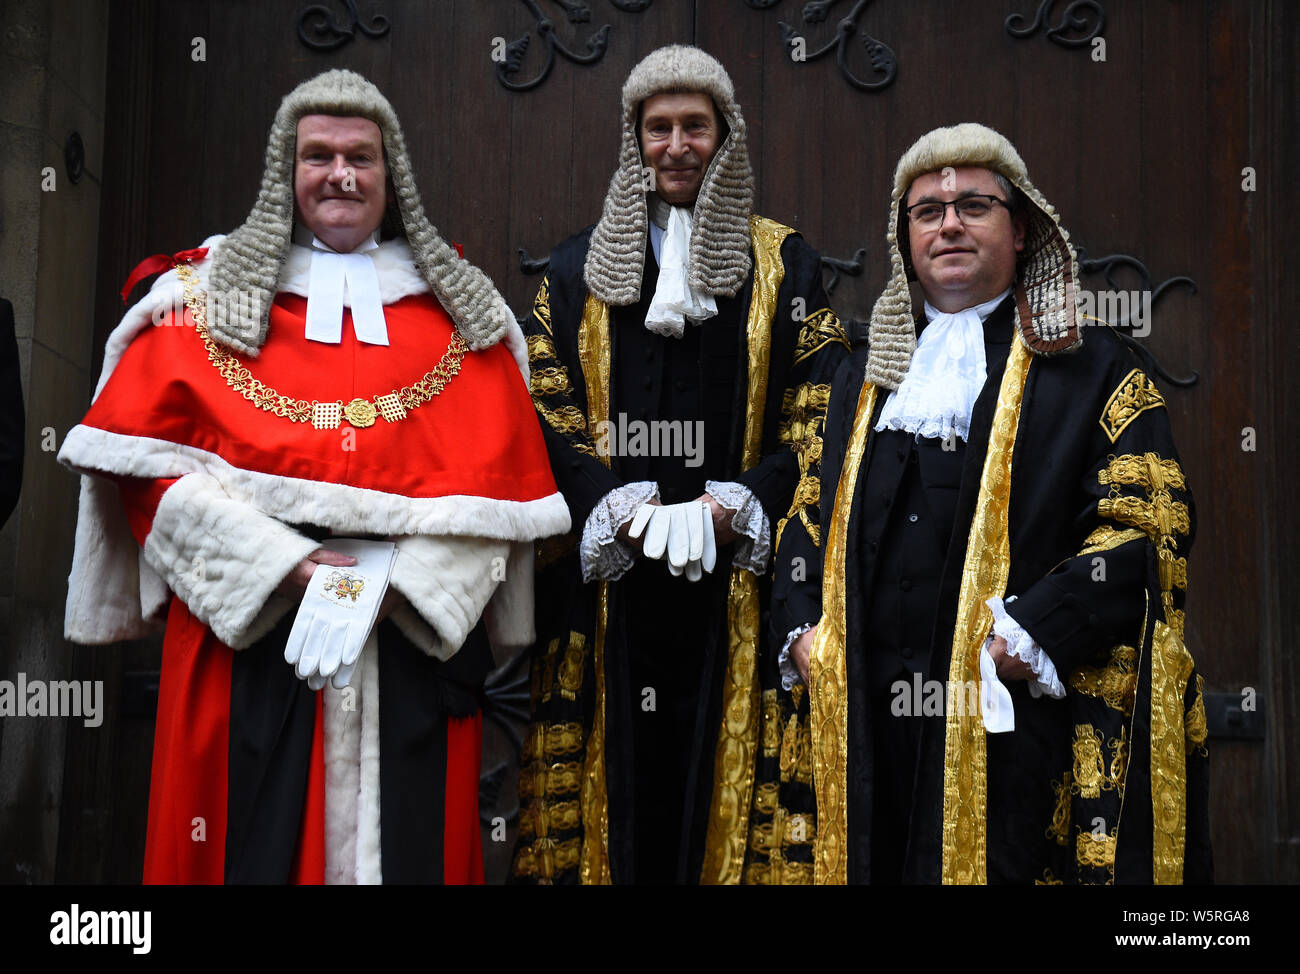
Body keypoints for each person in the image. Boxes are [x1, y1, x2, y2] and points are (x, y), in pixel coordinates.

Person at [57, 69, 569, 884]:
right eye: (319, 156)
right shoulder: (198, 303)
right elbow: (147, 478)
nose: (340, 174)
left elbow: (496, 506)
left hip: (408, 652)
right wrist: (283, 570)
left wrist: (401, 586)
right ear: (285, 174)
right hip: (247, 644)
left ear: (390, 174)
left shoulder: (463, 321)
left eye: (360, 156)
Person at [778, 122, 1210, 884]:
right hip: (865, 725)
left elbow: (1149, 525)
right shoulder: (860, 375)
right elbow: (806, 508)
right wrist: (804, 635)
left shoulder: (1092, 367)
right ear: (904, 239)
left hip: (1012, 724)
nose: (948, 223)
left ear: (1020, 232)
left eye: (973, 205)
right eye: (927, 211)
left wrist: (1034, 632)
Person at [510, 44, 850, 885]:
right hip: (606, 592)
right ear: (635, 140)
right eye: (657, 127)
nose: (676, 144)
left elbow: (822, 412)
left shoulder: (784, 264)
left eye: (695, 126)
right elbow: (540, 410)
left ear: (724, 136)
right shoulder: (574, 269)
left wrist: (741, 507)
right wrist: (608, 508)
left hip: (737, 586)